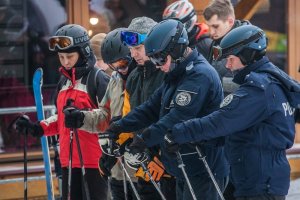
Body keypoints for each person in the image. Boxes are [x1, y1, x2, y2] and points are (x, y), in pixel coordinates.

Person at [168, 24, 300, 200]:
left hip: (260, 185)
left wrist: (178, 133)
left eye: (230, 59)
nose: (228, 66)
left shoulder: (258, 90)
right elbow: (244, 130)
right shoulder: (272, 80)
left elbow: (221, 121)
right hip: (256, 178)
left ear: (247, 55)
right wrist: (201, 138)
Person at [104, 19, 229, 200]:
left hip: (204, 166)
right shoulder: (175, 73)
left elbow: (177, 117)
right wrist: (119, 127)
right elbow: (151, 108)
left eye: (159, 58)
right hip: (182, 164)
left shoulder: (199, 75)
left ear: (176, 51)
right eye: (153, 57)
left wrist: (143, 140)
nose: (156, 64)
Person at [15, 24, 109, 200]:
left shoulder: (98, 79)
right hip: (68, 160)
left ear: (83, 52)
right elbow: (60, 119)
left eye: (70, 56)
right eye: (61, 57)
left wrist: (82, 117)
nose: (65, 62)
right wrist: (38, 128)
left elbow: (110, 119)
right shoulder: (63, 83)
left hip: (95, 162)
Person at [120, 17, 176, 200]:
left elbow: (175, 119)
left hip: (169, 168)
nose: (133, 54)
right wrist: (118, 144)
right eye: (130, 49)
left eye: (138, 48)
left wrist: (162, 157)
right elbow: (128, 116)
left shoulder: (167, 72)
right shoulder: (134, 77)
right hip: (144, 165)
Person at [203, 0, 250, 97]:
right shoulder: (217, 40)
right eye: (209, 26)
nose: (211, 32)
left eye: (215, 26)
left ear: (230, 21)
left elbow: (251, 85)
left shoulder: (248, 43)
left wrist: (210, 82)